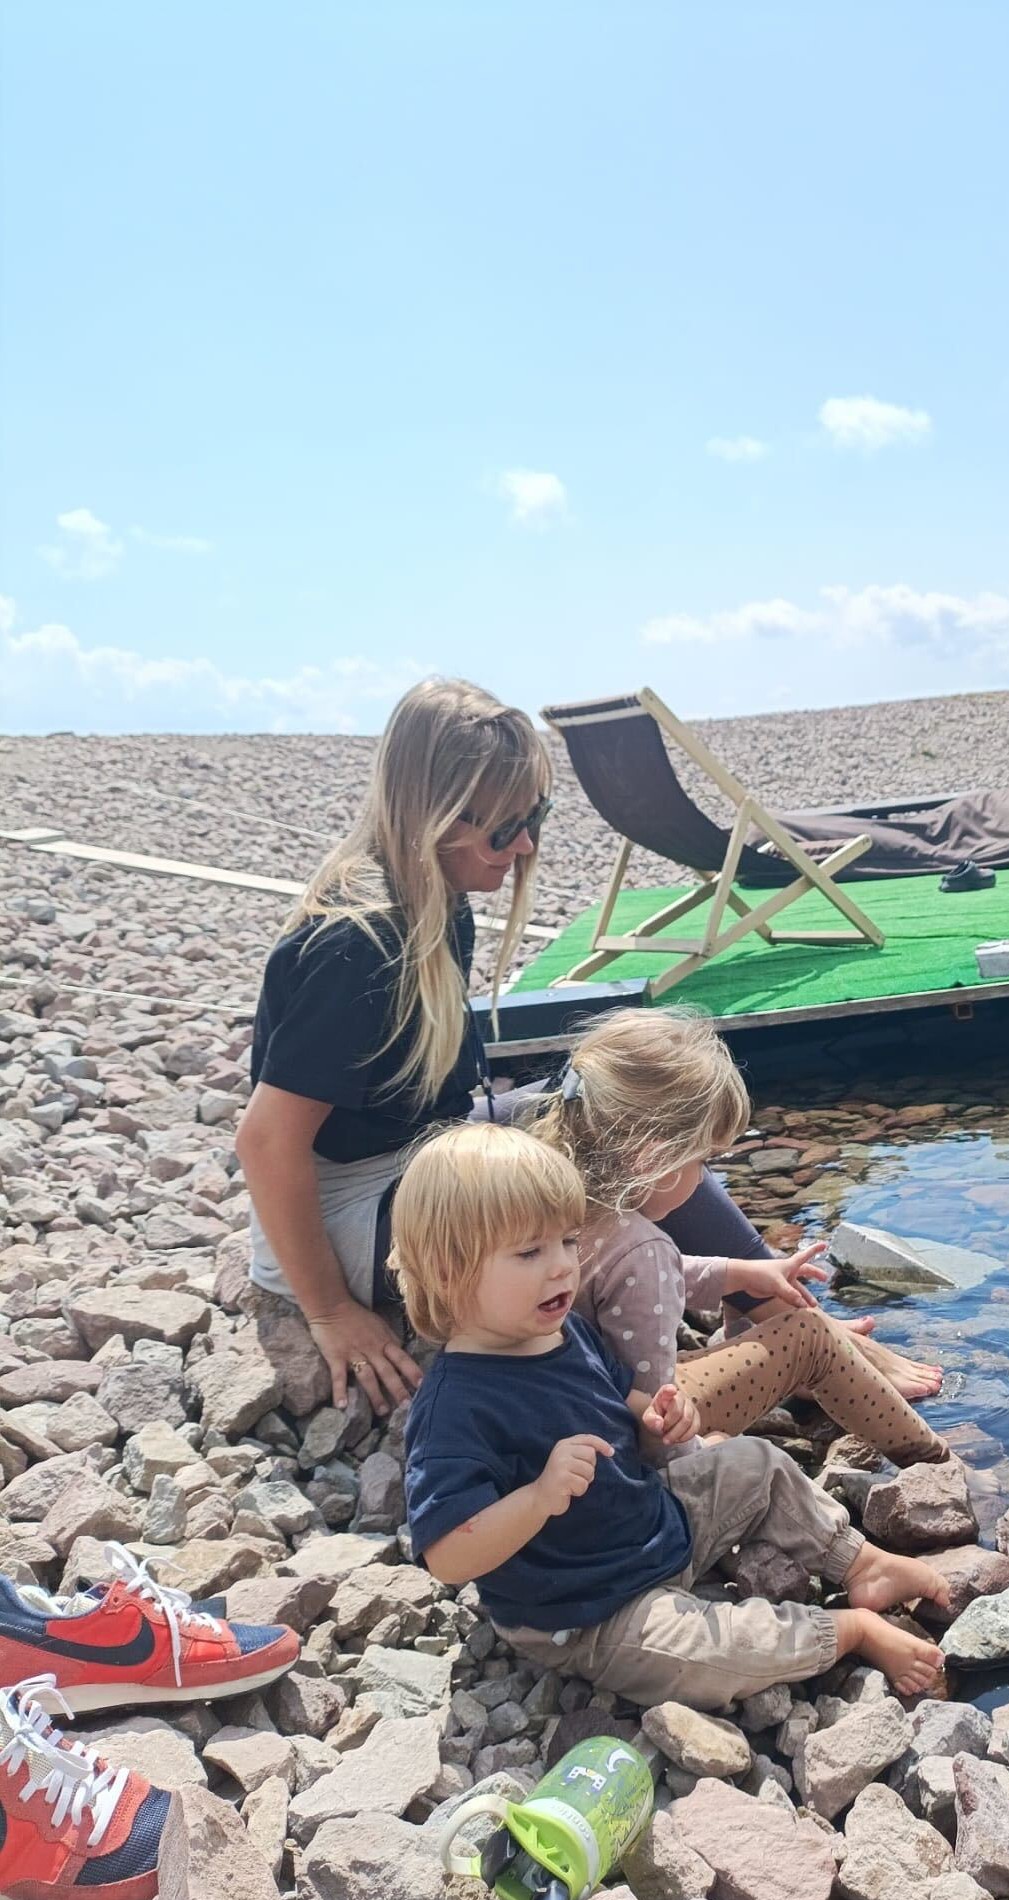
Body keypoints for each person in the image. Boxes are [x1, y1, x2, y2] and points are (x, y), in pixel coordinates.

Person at [236, 676, 778, 1416]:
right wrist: (331, 1312)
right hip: (353, 1208)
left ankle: (773, 1298)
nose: (523, 846)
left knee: (641, 1118)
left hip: (423, 1150)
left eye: (535, 818)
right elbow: (266, 1143)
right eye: (501, 830)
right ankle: (658, 1399)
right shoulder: (357, 947)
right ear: (433, 817)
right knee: (606, 1217)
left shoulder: (439, 900)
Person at [395, 1123, 948, 1710]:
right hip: (590, 1612)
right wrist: (537, 1498)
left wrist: (657, 1413)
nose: (561, 1267)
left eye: (567, 1242)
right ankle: (847, 1634)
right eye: (531, 1252)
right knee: (705, 1654)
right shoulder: (455, 1408)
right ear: (449, 1272)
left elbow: (616, 1399)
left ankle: (861, 1563)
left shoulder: (565, 1332)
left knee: (757, 1462)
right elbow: (448, 1556)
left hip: (658, 1523)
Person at [534, 1008, 949, 1464]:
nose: (704, 1178)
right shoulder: (640, 1247)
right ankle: (935, 1459)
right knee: (809, 1334)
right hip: (614, 1433)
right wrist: (700, 1460)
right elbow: (656, 1407)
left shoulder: (550, 1199)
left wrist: (736, 1274)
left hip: (553, 1409)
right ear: (652, 1159)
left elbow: (622, 1283)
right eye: (703, 1160)